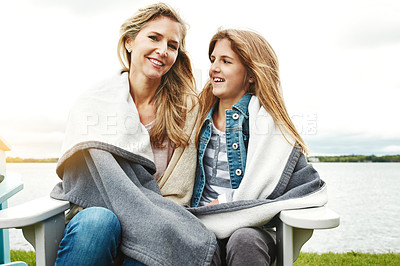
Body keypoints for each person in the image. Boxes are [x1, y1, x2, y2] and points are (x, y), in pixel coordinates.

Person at [51, 3, 216, 266]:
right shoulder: (93, 104)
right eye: (154, 37)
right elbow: (84, 182)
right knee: (99, 221)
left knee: (154, 241)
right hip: (100, 219)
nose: (162, 51)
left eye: (172, 46)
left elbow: (186, 183)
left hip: (160, 220)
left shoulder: (188, 109)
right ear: (129, 42)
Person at [189, 29, 328, 265]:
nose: (213, 68)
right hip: (201, 220)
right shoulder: (195, 116)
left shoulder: (269, 126)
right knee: (202, 243)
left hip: (251, 226)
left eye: (226, 61)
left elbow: (305, 184)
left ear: (251, 75)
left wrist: (225, 203)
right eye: (213, 60)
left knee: (244, 240)